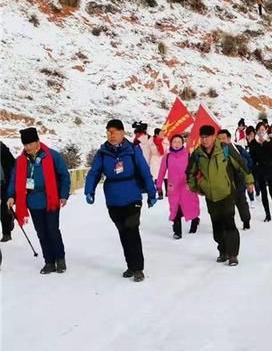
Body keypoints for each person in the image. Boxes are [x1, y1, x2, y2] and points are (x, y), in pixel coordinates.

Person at [85, 119, 157, 282]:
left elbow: (144, 171)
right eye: (108, 132)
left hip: (132, 196)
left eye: (115, 132)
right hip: (113, 199)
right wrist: (89, 191)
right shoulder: (102, 152)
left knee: (132, 230)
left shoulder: (132, 150)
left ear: (123, 133)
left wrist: (152, 193)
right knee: (123, 232)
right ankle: (130, 266)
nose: (111, 135)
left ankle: (138, 268)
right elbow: (94, 173)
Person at [186, 125, 254, 266]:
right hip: (210, 195)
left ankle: (233, 254)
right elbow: (190, 173)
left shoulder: (225, 149)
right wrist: (196, 188)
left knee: (229, 222)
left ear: (213, 137)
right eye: (202, 137)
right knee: (217, 226)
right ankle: (222, 251)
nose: (205, 140)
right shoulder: (197, 154)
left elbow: (241, 165)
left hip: (227, 192)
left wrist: (249, 181)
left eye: (207, 137)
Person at [6, 128, 70, 274]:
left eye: (30, 144)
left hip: (51, 199)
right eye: (25, 144)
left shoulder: (52, 156)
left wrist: (64, 195)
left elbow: (64, 176)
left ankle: (60, 259)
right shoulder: (21, 160)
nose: (27, 147)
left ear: (37, 142)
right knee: (41, 233)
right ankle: (49, 262)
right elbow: (14, 180)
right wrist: (11, 195)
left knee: (52, 230)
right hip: (33, 201)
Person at [156, 135, 200, 240]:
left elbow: (196, 171)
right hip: (173, 187)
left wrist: (195, 183)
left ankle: (195, 221)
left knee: (191, 206)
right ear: (171, 143)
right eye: (174, 142)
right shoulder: (167, 157)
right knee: (175, 208)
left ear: (182, 143)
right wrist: (159, 185)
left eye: (179, 142)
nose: (176, 144)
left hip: (187, 187)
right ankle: (177, 231)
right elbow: (162, 172)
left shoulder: (188, 155)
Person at [219, 129, 252, 230]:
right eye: (219, 139)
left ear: (229, 139)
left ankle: (246, 220)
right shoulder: (216, 152)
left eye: (223, 138)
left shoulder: (237, 149)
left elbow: (247, 164)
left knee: (241, 203)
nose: (221, 141)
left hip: (238, 181)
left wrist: (249, 181)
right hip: (224, 184)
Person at [248, 123, 272, 221]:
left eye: (263, 129)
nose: (261, 131)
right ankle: (267, 214)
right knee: (263, 193)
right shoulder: (253, 142)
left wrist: (264, 142)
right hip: (260, 170)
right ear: (256, 131)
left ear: (265, 130)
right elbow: (252, 156)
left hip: (270, 169)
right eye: (259, 130)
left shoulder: (271, 139)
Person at [1, 141, 16, 242]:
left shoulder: (2, 149)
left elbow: (13, 166)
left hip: (4, 184)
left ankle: (6, 233)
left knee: (3, 210)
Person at [150, 128, 168, 198]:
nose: (162, 135)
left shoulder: (166, 141)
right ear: (157, 135)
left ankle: (168, 192)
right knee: (157, 177)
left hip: (164, 159)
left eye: (163, 133)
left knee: (166, 176)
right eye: (161, 134)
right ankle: (160, 193)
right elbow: (149, 152)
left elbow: (168, 150)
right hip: (155, 161)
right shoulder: (151, 142)